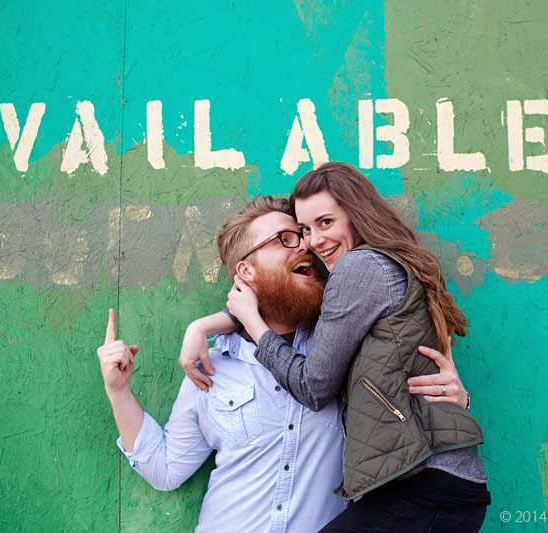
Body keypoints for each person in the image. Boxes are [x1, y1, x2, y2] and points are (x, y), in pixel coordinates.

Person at [181, 163, 490, 532]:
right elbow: (285, 304)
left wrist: (253, 325)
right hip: (430, 482)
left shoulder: (358, 267)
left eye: (325, 222)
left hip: (422, 485)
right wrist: (207, 324)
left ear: (357, 214)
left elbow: (313, 387)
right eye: (305, 229)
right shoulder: (377, 268)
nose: (313, 241)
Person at [96, 197, 347, 532]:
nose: (304, 245)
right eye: (285, 239)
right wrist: (118, 391)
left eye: (301, 235)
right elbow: (166, 470)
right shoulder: (210, 365)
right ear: (246, 272)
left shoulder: (339, 348)